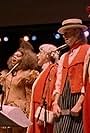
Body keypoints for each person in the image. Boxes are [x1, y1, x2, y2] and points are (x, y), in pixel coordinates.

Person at [52, 18, 90, 133]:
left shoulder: (88, 51)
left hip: (78, 99)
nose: (64, 36)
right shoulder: (64, 56)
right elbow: (58, 82)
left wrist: (80, 103)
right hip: (63, 100)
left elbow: (87, 80)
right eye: (64, 34)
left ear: (77, 32)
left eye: (67, 32)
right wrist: (55, 103)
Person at [0, 38, 39, 133]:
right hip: (6, 109)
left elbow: (30, 95)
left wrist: (29, 113)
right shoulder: (8, 73)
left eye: (18, 56)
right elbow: (4, 92)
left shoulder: (27, 74)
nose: (14, 57)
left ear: (24, 59)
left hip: (19, 109)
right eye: (14, 55)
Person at [27, 43, 59, 133]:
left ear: (47, 55)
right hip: (37, 108)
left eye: (40, 53)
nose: (38, 55)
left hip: (43, 110)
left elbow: (50, 91)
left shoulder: (53, 69)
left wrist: (44, 112)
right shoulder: (45, 69)